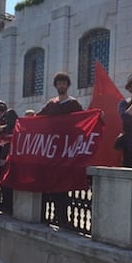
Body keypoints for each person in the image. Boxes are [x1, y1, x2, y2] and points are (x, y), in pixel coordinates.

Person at [38, 71, 84, 226]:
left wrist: (98, 116)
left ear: (67, 85)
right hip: (51, 151)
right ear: (56, 85)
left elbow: (84, 120)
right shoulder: (51, 104)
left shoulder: (73, 104)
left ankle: (63, 218)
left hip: (66, 151)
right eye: (59, 83)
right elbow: (39, 119)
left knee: (63, 184)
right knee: (50, 183)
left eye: (64, 83)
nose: (61, 85)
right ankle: (48, 216)